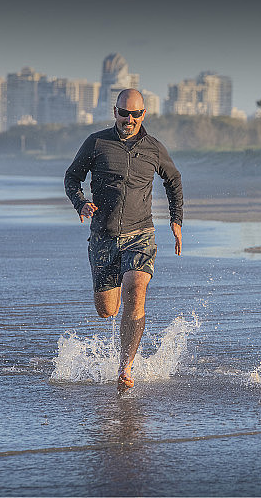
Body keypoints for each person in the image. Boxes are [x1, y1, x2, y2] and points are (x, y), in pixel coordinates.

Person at [65, 88, 183, 392]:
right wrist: (81, 203)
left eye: (135, 114)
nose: (128, 119)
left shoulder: (154, 148)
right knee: (107, 310)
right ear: (114, 111)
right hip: (103, 237)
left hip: (140, 234)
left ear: (143, 114)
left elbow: (173, 180)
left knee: (136, 287)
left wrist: (176, 220)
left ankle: (125, 366)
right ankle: (115, 314)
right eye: (123, 113)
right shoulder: (97, 142)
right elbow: (72, 177)